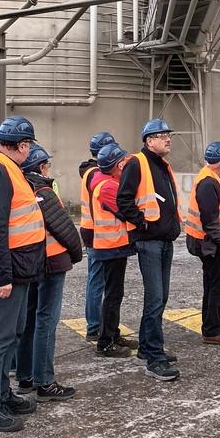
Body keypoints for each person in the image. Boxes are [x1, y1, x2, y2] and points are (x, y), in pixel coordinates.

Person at [0, 116, 45, 432]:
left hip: (19, 267)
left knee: (11, 334)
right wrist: (3, 277)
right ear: (24, 145)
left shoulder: (8, 169)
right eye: (29, 145)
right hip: (9, 270)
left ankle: (2, 395)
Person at [15, 144, 83, 402]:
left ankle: (25, 377)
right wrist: (76, 253)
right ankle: (45, 381)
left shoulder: (21, 189)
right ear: (40, 167)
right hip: (52, 262)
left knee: (29, 319)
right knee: (46, 320)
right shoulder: (43, 190)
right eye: (47, 165)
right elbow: (64, 228)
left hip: (31, 262)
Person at [117, 117, 182, 382]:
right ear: (149, 140)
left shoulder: (162, 165)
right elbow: (123, 200)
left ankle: (146, 347)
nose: (168, 139)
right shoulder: (137, 163)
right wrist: (141, 222)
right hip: (149, 241)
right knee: (155, 299)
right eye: (162, 135)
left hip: (165, 240)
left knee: (161, 297)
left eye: (168, 135)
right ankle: (155, 358)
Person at [185, 142, 220, 346]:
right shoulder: (208, 182)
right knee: (219, 286)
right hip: (211, 244)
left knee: (212, 284)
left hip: (210, 243)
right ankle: (212, 330)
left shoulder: (210, 177)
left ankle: (212, 324)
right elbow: (209, 220)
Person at [89, 142, 137, 358]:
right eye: (123, 162)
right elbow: (126, 209)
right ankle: (106, 342)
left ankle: (112, 334)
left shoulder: (106, 181)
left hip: (113, 246)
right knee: (113, 294)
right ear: (117, 165)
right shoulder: (107, 187)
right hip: (111, 246)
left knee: (114, 293)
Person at [79, 131, 116, 342]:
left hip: (90, 229)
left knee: (96, 279)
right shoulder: (96, 174)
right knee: (97, 280)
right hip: (96, 232)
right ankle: (94, 326)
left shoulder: (89, 171)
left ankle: (94, 325)